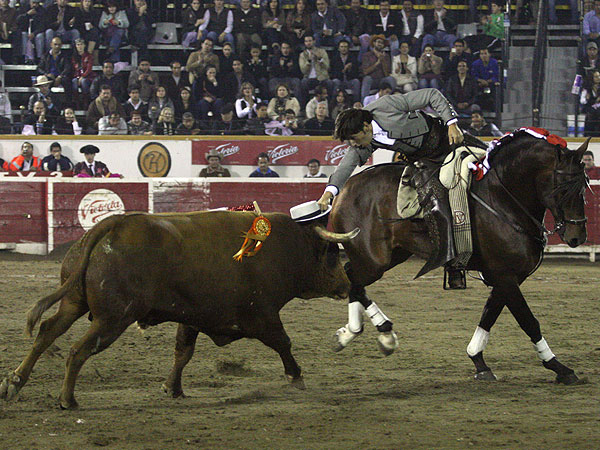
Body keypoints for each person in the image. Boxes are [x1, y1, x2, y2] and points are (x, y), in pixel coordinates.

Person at [316, 89, 465, 285]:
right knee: (435, 198)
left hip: (446, 142)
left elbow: (431, 95)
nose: (354, 144)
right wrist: (329, 193)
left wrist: (451, 123)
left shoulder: (387, 105)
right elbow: (347, 164)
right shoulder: (363, 141)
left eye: (354, 138)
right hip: (423, 162)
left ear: (366, 127)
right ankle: (452, 261)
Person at [361, 34, 396, 103]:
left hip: (382, 80)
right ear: (374, 43)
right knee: (367, 79)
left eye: (382, 43)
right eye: (378, 42)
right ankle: (364, 103)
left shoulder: (386, 56)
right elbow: (365, 72)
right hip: (371, 80)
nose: (380, 44)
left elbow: (387, 74)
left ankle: (392, 103)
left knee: (391, 79)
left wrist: (382, 61)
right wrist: (377, 63)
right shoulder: (367, 55)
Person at [299, 35, 331, 108]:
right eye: (306, 41)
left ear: (314, 41)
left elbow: (327, 66)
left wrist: (320, 59)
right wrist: (309, 61)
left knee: (329, 83)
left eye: (310, 41)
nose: (308, 43)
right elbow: (303, 71)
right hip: (309, 79)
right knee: (303, 82)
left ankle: (330, 107)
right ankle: (305, 107)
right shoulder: (302, 55)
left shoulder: (322, 52)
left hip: (322, 78)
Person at [330, 39, 360, 103]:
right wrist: (343, 70)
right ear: (338, 48)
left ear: (348, 48)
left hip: (349, 80)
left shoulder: (353, 58)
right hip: (339, 81)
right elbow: (333, 74)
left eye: (345, 47)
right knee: (335, 81)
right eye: (342, 47)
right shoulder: (335, 58)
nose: (344, 49)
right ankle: (333, 103)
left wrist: (349, 70)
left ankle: (356, 103)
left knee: (356, 81)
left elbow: (356, 74)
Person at [15, 0, 45, 64]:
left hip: (36, 32)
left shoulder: (42, 10)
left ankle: (39, 58)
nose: (35, 5)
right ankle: (25, 58)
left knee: (40, 36)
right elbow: (18, 21)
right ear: (30, 2)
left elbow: (43, 25)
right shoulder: (23, 8)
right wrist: (27, 14)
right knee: (23, 35)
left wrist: (34, 33)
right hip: (25, 31)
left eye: (37, 3)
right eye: (33, 3)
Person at [73, 0, 100, 64]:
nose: (87, 3)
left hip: (91, 33)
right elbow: (76, 25)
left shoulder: (94, 12)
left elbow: (96, 24)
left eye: (89, 1)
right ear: (82, 2)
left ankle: (89, 54)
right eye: (85, 1)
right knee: (95, 36)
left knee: (94, 32)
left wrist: (92, 26)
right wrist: (84, 25)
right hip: (81, 32)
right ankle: (90, 55)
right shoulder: (77, 11)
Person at [580, 70, 600, 137]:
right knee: (591, 113)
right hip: (590, 109)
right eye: (596, 77)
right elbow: (582, 100)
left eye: (599, 76)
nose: (599, 78)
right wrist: (586, 98)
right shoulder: (587, 88)